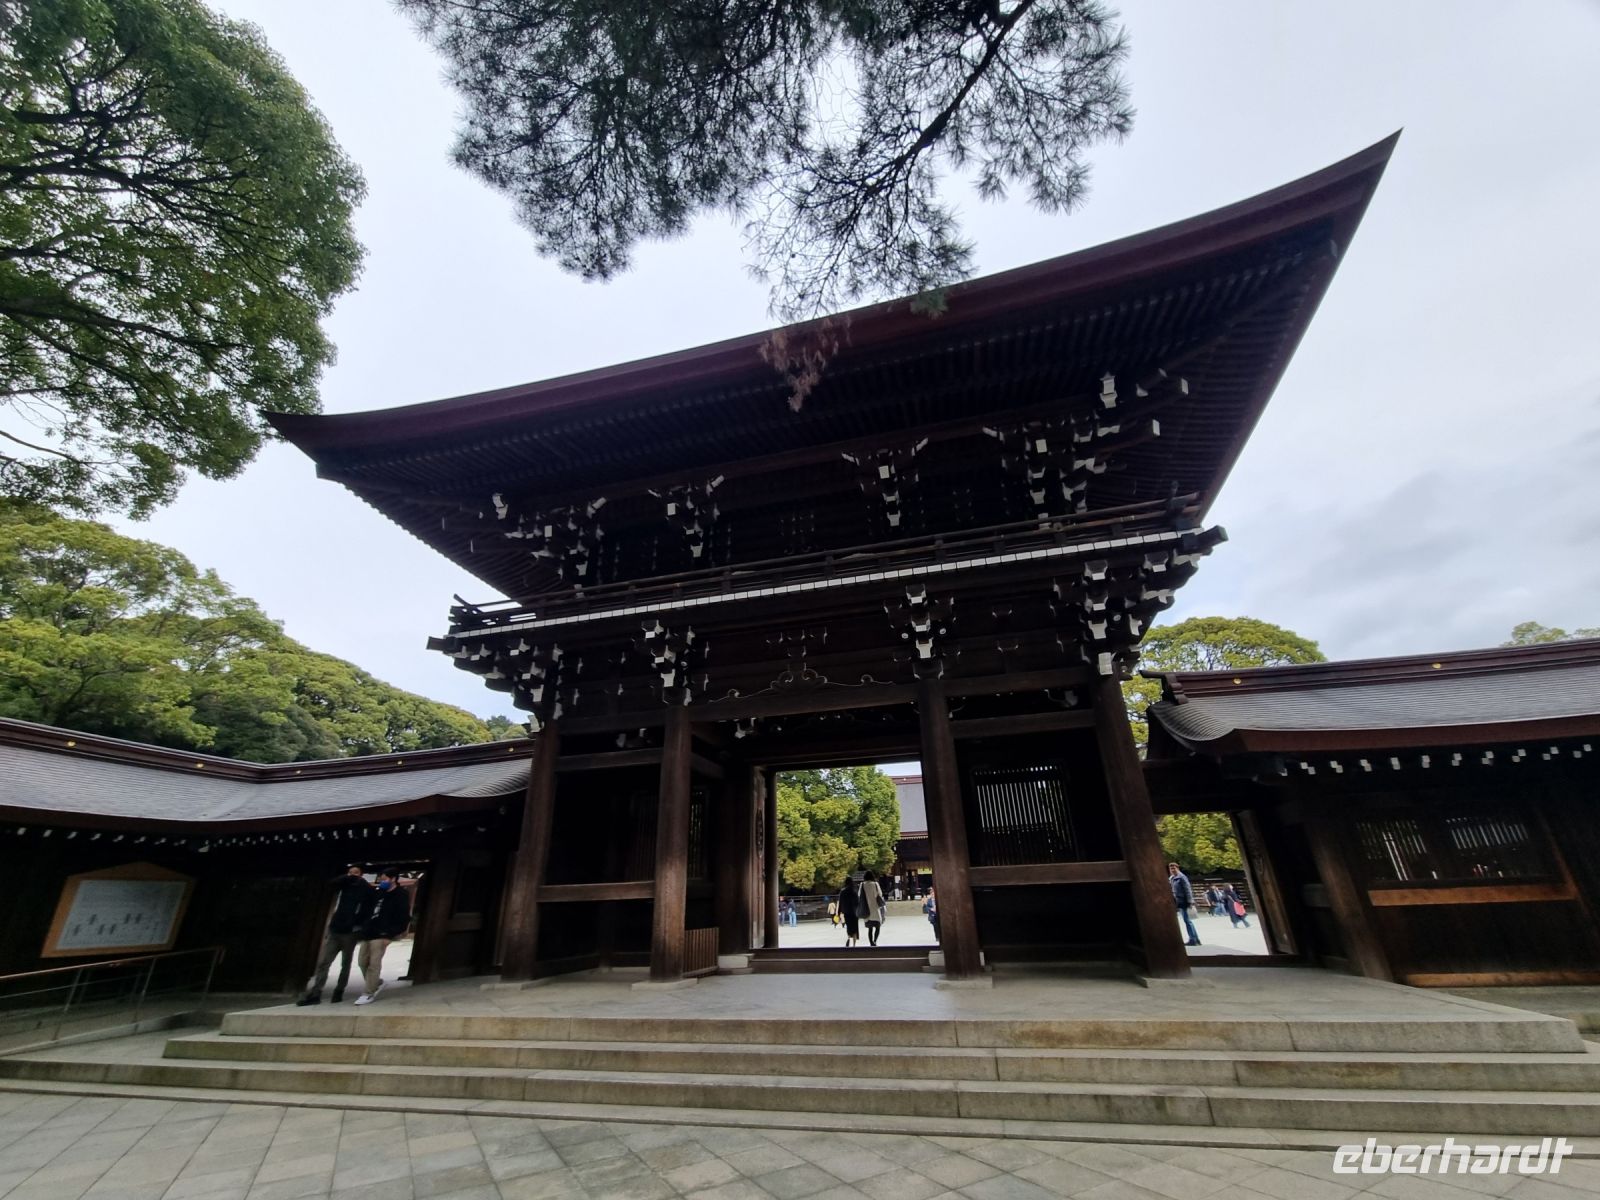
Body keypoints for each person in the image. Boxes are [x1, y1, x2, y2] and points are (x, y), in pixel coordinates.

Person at [297, 865, 373, 1005]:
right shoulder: (342, 886)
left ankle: (339, 991)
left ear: (362, 875)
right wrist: (347, 877)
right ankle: (316, 993)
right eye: (350, 872)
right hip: (335, 929)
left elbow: (368, 910)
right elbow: (331, 883)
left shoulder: (366, 889)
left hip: (351, 932)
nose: (352, 875)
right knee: (324, 962)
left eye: (356, 873)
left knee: (346, 963)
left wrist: (358, 926)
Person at [354, 868, 413, 1005]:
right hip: (369, 931)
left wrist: (391, 934)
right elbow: (366, 909)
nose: (382, 882)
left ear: (393, 879)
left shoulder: (400, 895)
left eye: (385, 879)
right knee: (362, 962)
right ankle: (377, 982)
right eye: (381, 879)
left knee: (374, 963)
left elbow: (403, 916)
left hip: (383, 933)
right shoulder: (378, 893)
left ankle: (368, 992)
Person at [1169, 862, 1201, 946]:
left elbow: (1187, 889)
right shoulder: (1172, 878)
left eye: (1174, 868)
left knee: (1187, 921)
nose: (1172, 870)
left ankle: (1193, 939)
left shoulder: (1182, 877)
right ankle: (1195, 939)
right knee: (1187, 921)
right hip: (1178, 901)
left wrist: (1190, 901)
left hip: (1184, 901)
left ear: (1177, 868)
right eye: (1171, 869)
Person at [860, 870, 886, 947]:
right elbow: (880, 894)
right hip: (875, 908)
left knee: (870, 928)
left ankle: (871, 942)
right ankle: (875, 940)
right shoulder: (875, 884)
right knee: (878, 926)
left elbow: (859, 895)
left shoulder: (862, 885)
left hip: (866, 908)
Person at [838, 877, 862, 947]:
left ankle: (848, 938)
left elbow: (840, 902)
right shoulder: (854, 891)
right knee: (855, 928)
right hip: (854, 912)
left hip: (846, 912)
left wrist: (839, 912)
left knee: (849, 927)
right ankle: (854, 944)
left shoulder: (842, 891)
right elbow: (858, 902)